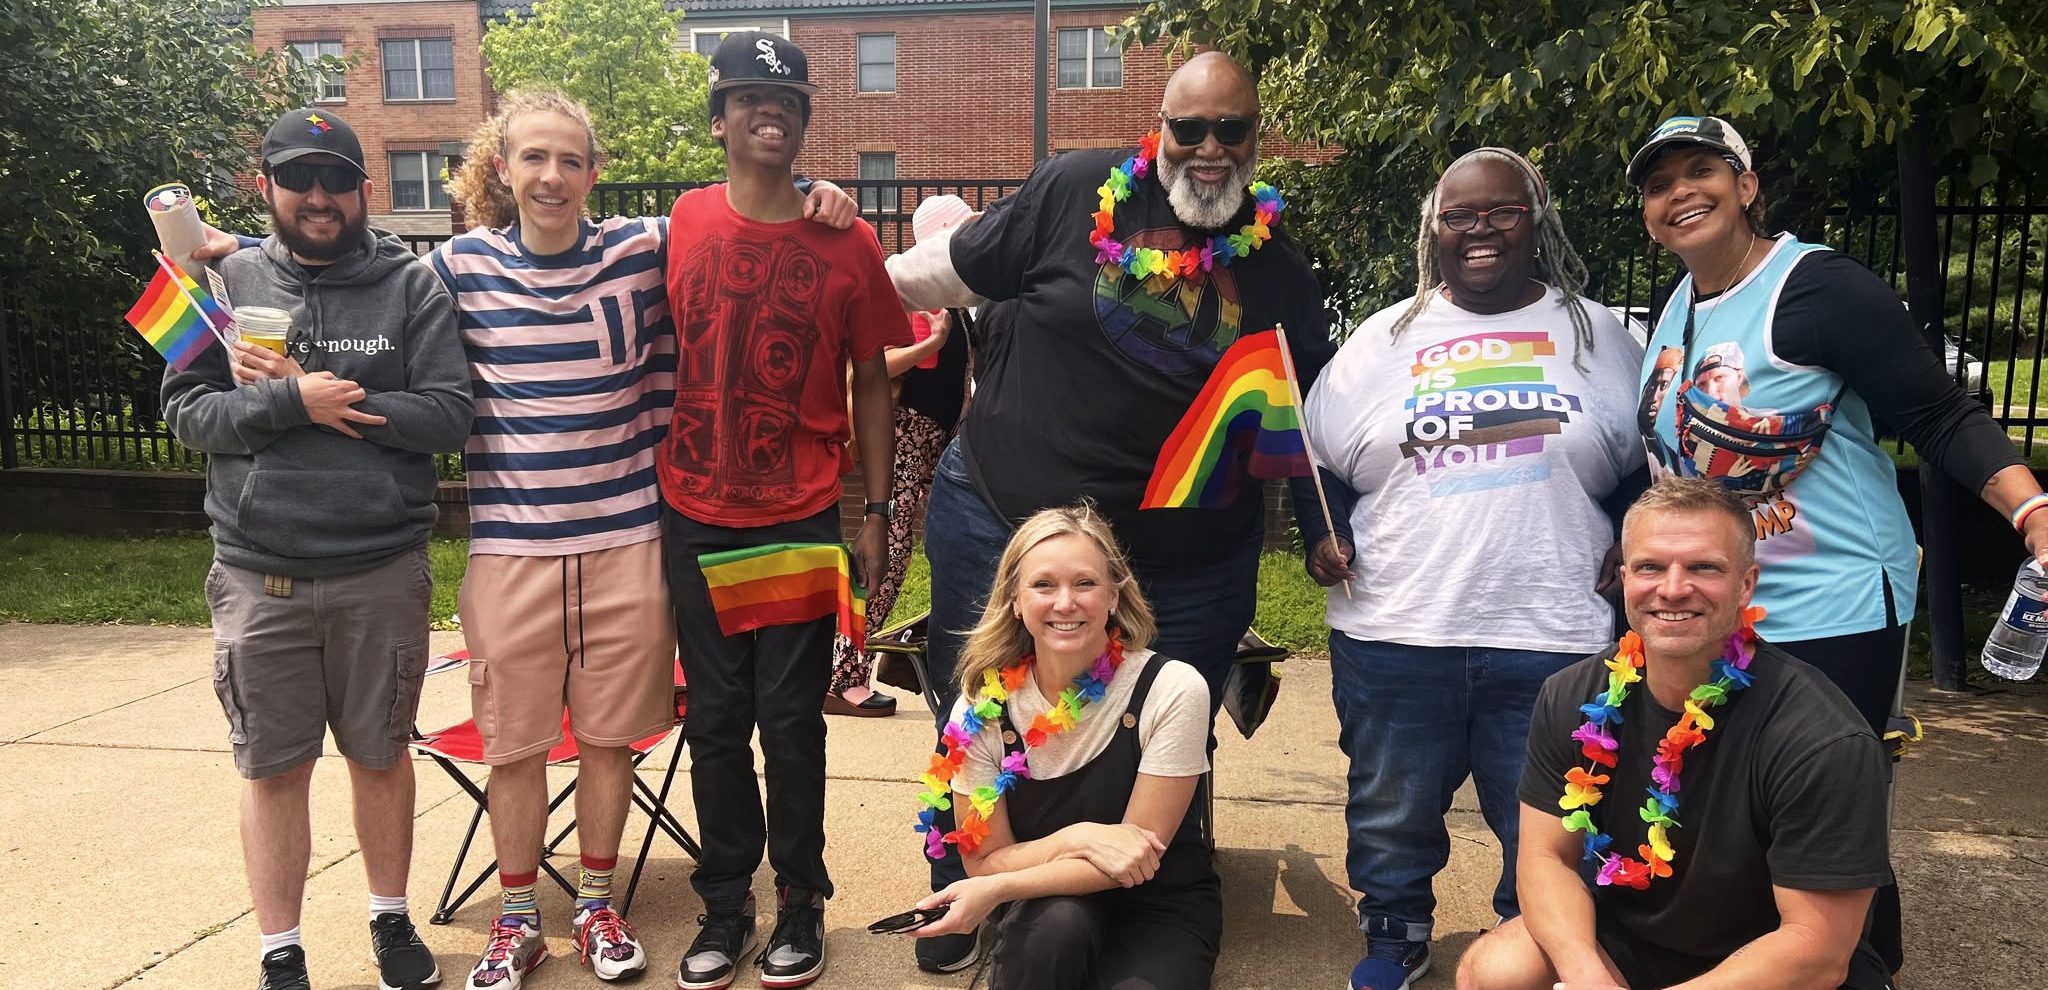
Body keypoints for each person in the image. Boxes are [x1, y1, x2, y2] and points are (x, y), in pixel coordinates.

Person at [885, 50, 1336, 972]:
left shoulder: (1279, 267)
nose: (1209, 149)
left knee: (1175, 712)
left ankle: (1146, 873)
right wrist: (836, 246)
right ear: (1158, 129)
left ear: (1256, 138)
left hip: (1189, 552)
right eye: (1189, 128)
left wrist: (1329, 526)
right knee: (974, 710)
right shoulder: (1075, 189)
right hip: (1007, 518)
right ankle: (961, 886)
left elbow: (1314, 411)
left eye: (1231, 130)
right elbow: (940, 272)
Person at [421, 90, 858, 989]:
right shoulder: (454, 268)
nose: (552, 177)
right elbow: (372, 332)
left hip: (630, 539)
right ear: (502, 167)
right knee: (514, 743)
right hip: (512, 547)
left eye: (570, 160)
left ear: (593, 172)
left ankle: (594, 906)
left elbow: (750, 206)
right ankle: (516, 920)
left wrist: (817, 189)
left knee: (615, 737)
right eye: (534, 158)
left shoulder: (641, 245)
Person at [1626, 114, 2048, 971]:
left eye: (1702, 171)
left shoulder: (1815, 288)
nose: (1681, 194)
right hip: (1708, 603)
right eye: (1660, 184)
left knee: (1830, 810)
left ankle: (1860, 973)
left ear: (1747, 186)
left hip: (1834, 598)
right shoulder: (1679, 306)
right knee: (1720, 799)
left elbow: (1937, 413)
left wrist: (2032, 511)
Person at [1300, 147, 1647, 990]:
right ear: (1434, 230)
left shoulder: (1605, 335)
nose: (1479, 231)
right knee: (1390, 808)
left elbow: (1649, 465)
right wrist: (1323, 537)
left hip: (1553, 630)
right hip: (1393, 625)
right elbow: (1318, 471)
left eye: (1502, 212)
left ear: (1538, 221)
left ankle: (1524, 935)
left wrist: (1632, 537)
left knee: (1549, 813)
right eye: (1459, 216)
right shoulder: (1384, 338)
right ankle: (1394, 935)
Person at [164, 107, 473, 990]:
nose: (319, 195)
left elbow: (450, 415)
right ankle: (281, 951)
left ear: (363, 190)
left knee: (381, 754)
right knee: (274, 767)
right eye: (299, 177)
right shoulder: (216, 282)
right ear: (264, 186)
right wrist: (294, 405)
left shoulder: (412, 286)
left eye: (337, 178)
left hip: (380, 566)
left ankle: (390, 920)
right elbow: (186, 414)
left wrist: (342, 399)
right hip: (261, 574)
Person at [658, 32, 910, 990]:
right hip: (694, 508)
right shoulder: (679, 221)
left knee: (790, 719)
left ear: (806, 121)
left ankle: (801, 901)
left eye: (790, 100)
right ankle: (726, 905)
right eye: (750, 96)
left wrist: (877, 510)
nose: (772, 111)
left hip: (799, 513)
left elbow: (874, 381)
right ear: (720, 118)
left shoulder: (847, 239)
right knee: (715, 720)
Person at [1457, 477, 1895, 990]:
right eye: (1650, 567)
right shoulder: (1572, 694)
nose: (1672, 588)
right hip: (1632, 942)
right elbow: (1546, 857)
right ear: (1624, 578)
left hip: (1773, 966)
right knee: (1495, 970)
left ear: (1746, 584)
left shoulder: (1820, 738)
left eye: (1704, 567)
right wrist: (1587, 977)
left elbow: (1816, 950)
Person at [908, 505, 1218, 989]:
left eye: (1086, 583)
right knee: (1054, 932)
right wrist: (1078, 838)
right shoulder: (979, 710)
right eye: (1044, 585)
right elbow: (982, 860)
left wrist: (997, 888)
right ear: (1014, 600)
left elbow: (1136, 854)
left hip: (1159, 899)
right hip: (1048, 900)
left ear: (1115, 596)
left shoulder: (1173, 689)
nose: (1065, 603)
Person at [826, 194, 977, 718]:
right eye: (962, 233)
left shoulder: (957, 301)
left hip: (938, 439)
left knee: (954, 547)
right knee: (886, 557)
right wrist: (930, 341)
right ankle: (840, 676)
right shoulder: (919, 299)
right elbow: (876, 366)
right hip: (906, 435)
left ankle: (903, 658)